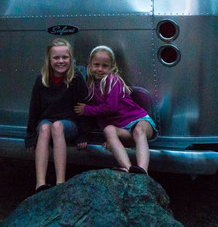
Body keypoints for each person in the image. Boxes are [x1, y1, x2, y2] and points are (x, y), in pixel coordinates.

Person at [74, 45, 157, 174]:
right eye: (96, 65)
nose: (100, 69)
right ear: (90, 64)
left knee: (139, 131)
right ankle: (129, 168)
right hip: (123, 130)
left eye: (105, 66)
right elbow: (101, 118)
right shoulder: (90, 85)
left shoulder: (113, 81)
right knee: (108, 130)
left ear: (112, 67)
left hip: (139, 120)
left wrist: (87, 110)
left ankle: (143, 171)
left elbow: (110, 108)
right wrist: (109, 138)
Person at [25, 38, 88, 192]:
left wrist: (83, 135)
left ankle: (60, 183)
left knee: (57, 126)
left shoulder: (76, 79)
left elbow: (84, 108)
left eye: (65, 57)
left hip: (68, 124)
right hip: (46, 121)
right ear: (49, 59)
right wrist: (31, 135)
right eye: (56, 57)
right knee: (46, 128)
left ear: (70, 59)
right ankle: (40, 183)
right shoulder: (42, 80)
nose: (61, 61)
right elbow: (34, 109)